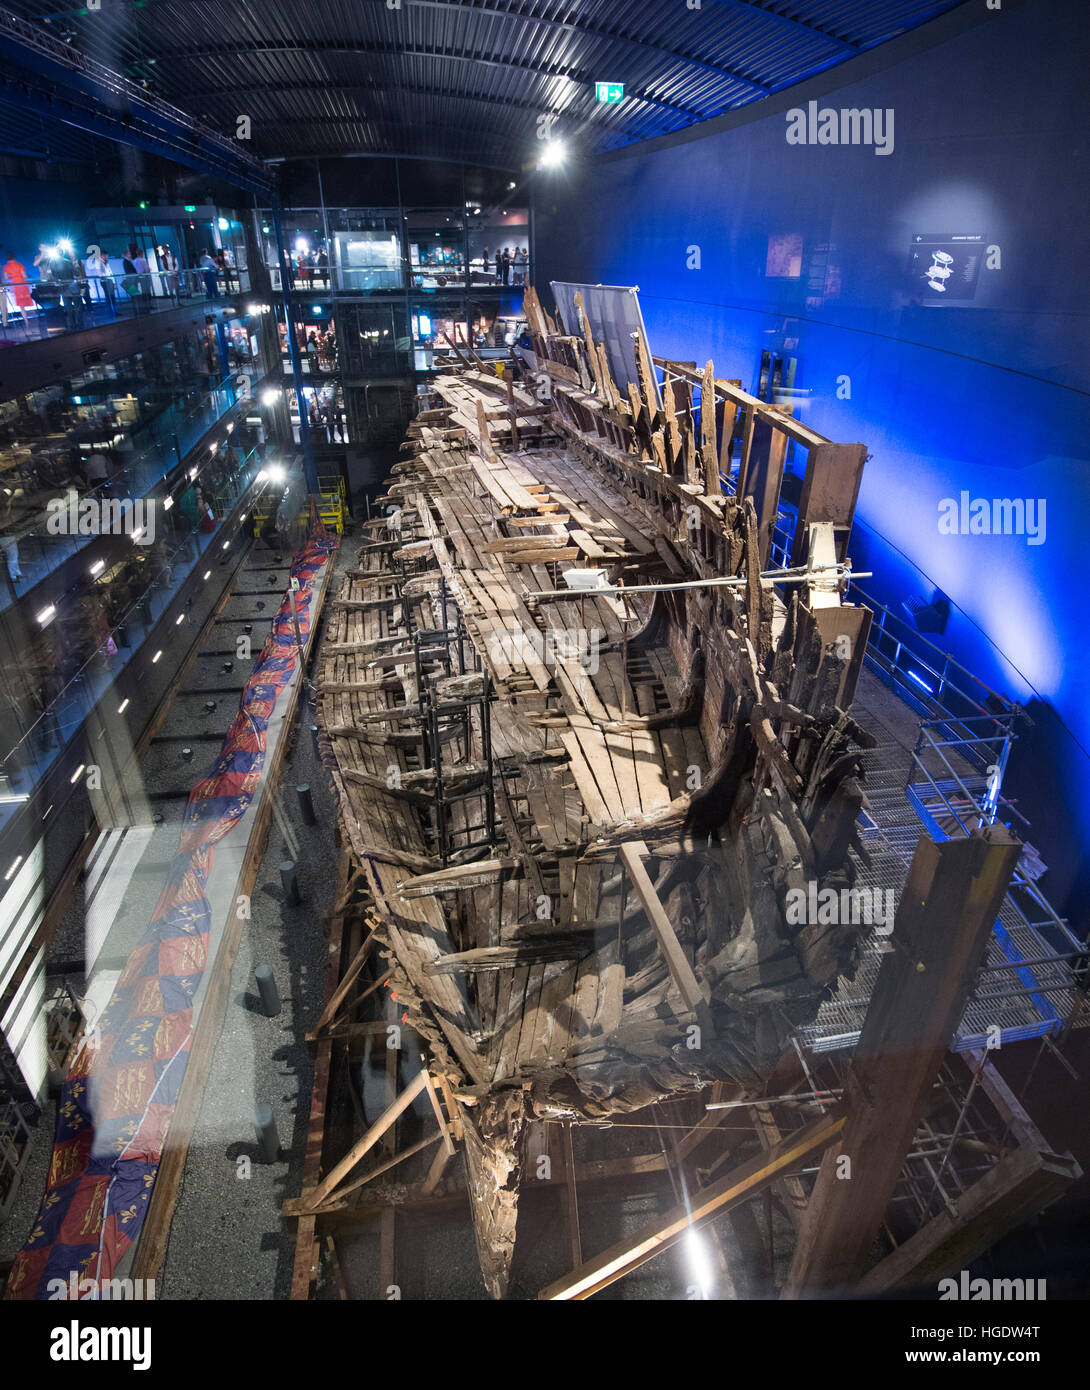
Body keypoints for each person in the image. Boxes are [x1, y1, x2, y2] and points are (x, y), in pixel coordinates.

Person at [1, 248, 34, 335]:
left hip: (15, 285)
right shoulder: (19, 265)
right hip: (22, 284)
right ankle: (28, 324)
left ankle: (25, 321)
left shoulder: (6, 267)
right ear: (15, 257)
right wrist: (27, 275)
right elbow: (24, 275)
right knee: (26, 303)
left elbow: (6, 278)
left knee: (21, 306)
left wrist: (13, 277)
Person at [85, 247, 115, 315]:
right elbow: (101, 272)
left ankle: (113, 310)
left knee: (111, 296)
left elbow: (109, 271)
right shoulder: (98, 261)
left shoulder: (105, 262)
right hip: (105, 280)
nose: (106, 257)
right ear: (102, 255)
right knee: (109, 296)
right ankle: (111, 311)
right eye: (106, 256)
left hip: (108, 279)